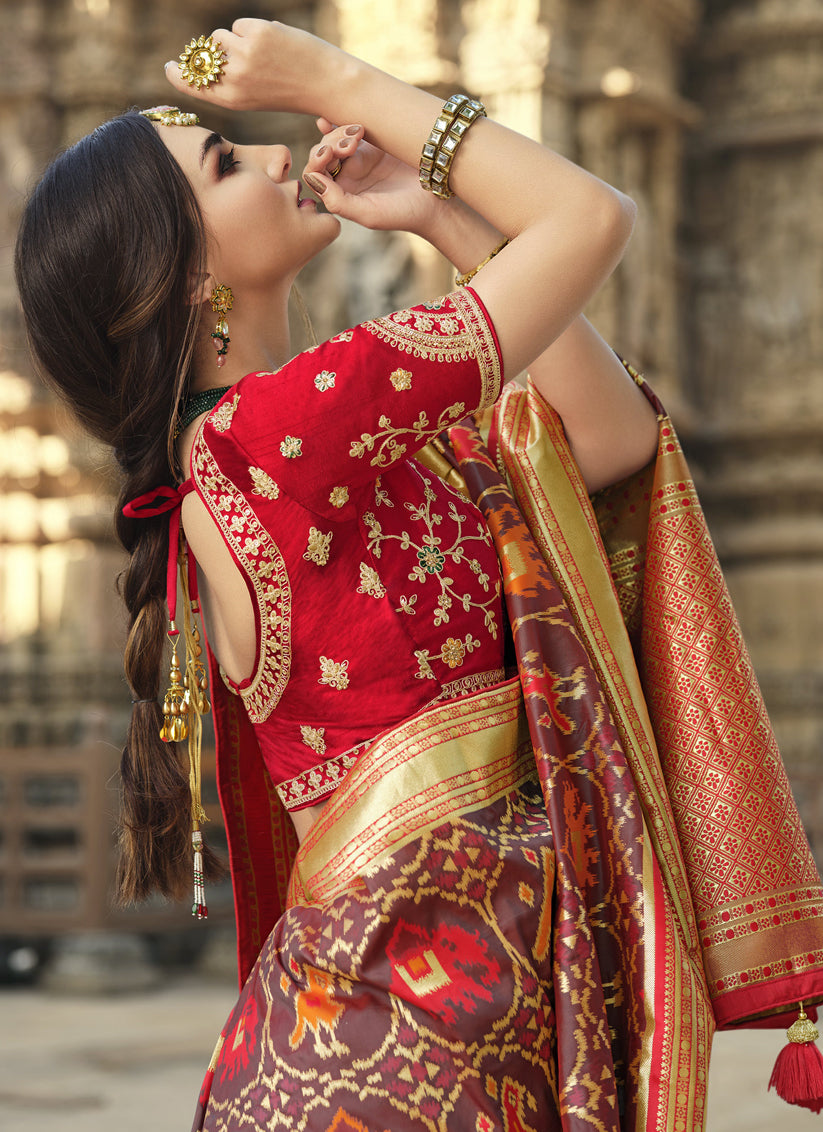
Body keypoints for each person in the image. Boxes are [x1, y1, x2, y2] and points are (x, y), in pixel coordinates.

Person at [14, 19, 823, 1132]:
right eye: (226, 158)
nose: (273, 152)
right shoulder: (277, 432)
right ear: (184, 271)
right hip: (415, 1043)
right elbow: (591, 216)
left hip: (419, 1024)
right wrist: (340, 76)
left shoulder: (302, 446)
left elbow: (611, 439)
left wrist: (443, 216)